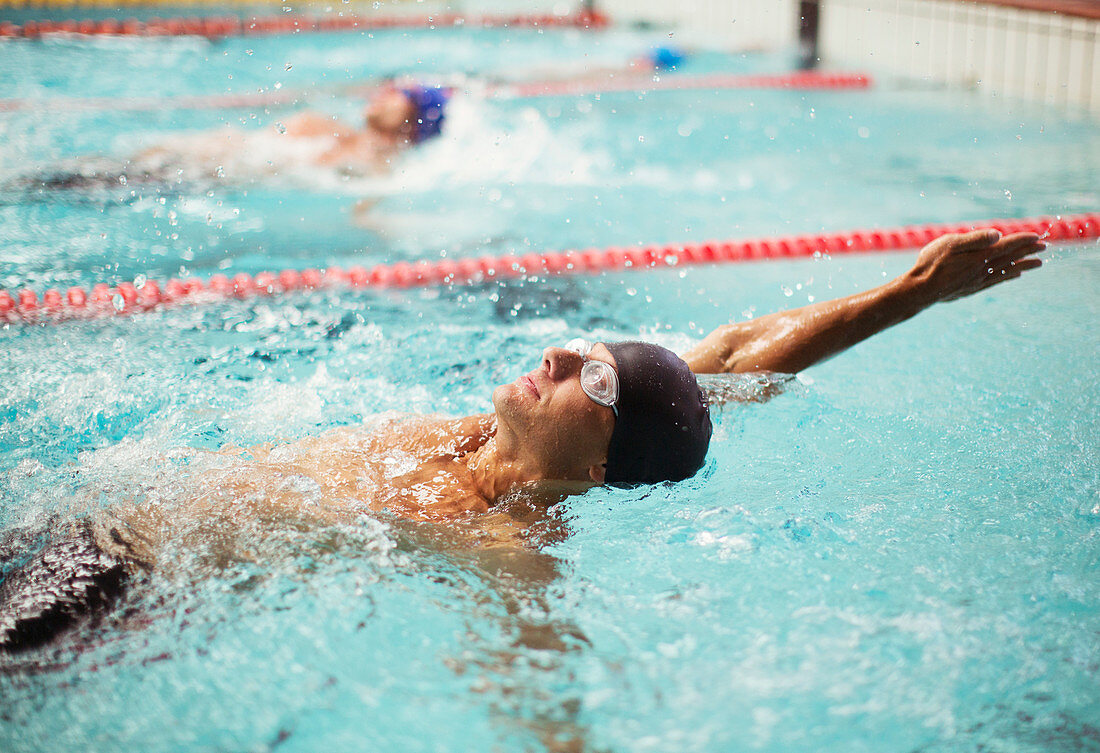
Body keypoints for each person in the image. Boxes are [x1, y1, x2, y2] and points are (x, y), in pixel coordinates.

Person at [0, 228, 1045, 652]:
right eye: (576, 348)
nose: (550, 357)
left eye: (588, 377)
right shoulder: (479, 438)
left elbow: (531, 668)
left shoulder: (507, 537)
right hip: (84, 517)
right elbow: (738, 355)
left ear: (597, 465)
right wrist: (907, 294)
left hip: (120, 590)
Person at [16, 83, 451, 192]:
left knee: (66, 183)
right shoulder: (326, 126)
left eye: (402, 95)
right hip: (188, 157)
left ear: (414, 122)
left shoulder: (377, 168)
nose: (387, 91)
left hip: (203, 177)